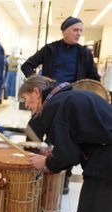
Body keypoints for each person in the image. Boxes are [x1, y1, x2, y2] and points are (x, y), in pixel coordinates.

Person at [19, 74, 112, 212]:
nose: (27, 105)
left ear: (36, 92)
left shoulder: (56, 105)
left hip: (106, 160)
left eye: (26, 99)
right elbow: (75, 143)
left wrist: (46, 162)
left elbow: (67, 156)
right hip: (104, 156)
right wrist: (55, 152)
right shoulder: (67, 97)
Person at [21, 16, 101, 194]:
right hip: (46, 99)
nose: (78, 33)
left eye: (80, 30)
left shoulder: (84, 53)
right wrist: (36, 83)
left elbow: (94, 79)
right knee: (32, 132)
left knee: (63, 140)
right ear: (64, 30)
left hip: (69, 104)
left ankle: (62, 177)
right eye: (75, 30)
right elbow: (27, 65)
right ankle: (28, 167)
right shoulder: (50, 49)